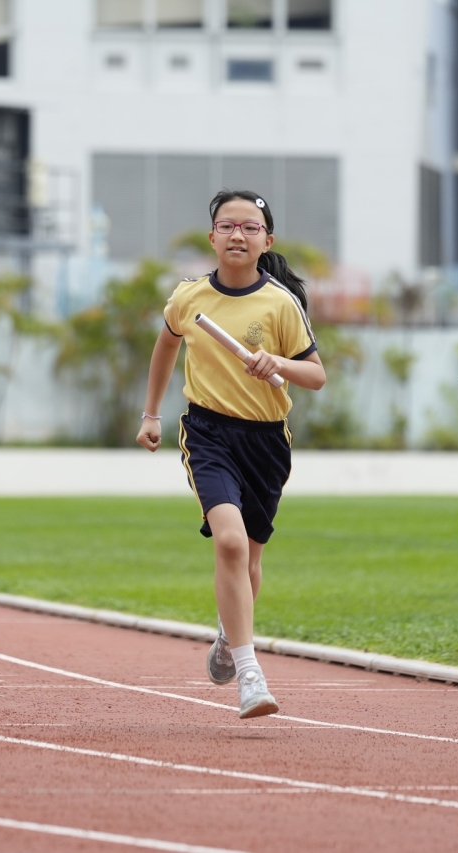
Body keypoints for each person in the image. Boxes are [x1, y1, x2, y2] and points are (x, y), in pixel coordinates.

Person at [136, 189, 326, 719]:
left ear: (267, 240)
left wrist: (277, 364)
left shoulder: (280, 304)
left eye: (249, 227)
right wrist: (151, 414)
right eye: (227, 226)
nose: (237, 235)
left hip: (266, 441)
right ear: (212, 236)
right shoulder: (189, 297)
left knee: (251, 560)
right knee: (230, 543)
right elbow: (167, 343)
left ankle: (228, 636)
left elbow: (316, 376)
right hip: (208, 434)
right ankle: (250, 674)